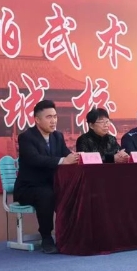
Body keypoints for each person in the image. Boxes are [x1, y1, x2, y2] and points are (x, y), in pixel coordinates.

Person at [13, 100, 79, 254]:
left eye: (55, 117)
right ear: (37, 119)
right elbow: (34, 159)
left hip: (50, 185)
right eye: (49, 117)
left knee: (72, 191)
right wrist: (63, 161)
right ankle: (46, 237)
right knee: (46, 194)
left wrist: (76, 157)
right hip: (28, 188)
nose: (53, 121)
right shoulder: (26, 137)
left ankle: (71, 234)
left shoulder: (57, 136)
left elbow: (66, 154)